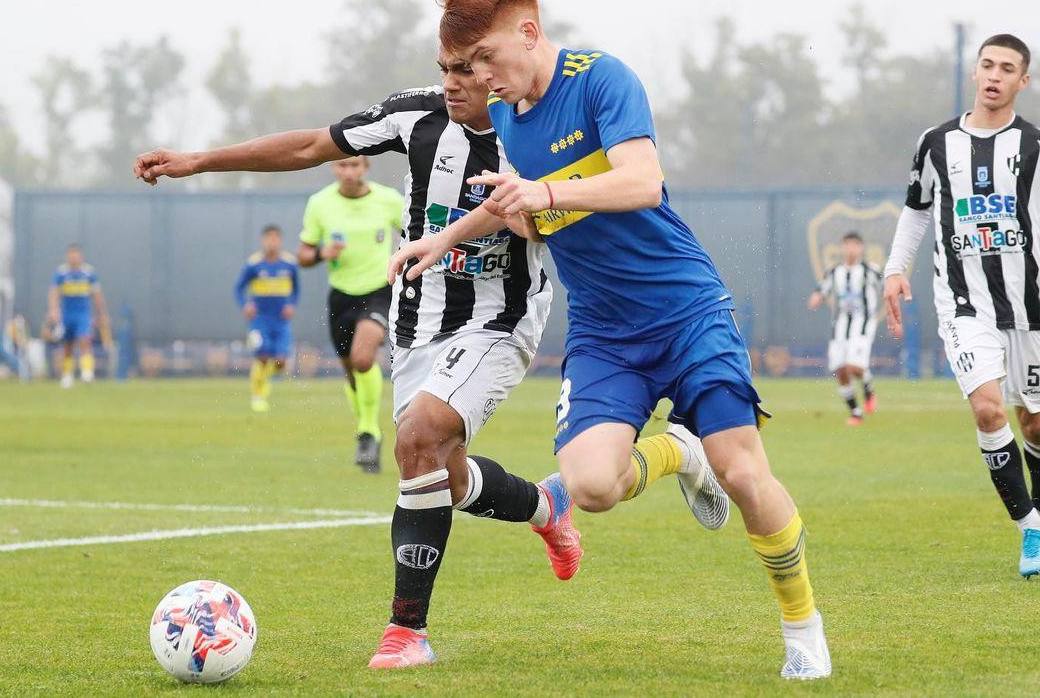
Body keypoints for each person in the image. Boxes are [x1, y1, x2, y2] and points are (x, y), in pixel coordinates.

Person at [135, 45, 724, 670]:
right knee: (442, 473)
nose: (451, 84)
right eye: (445, 70)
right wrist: (199, 161)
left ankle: (405, 632)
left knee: (417, 439)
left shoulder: (532, 134)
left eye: (465, 71)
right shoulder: (413, 118)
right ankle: (546, 507)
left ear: (496, 72)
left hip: (501, 319)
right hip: (418, 323)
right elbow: (312, 146)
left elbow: (603, 190)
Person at [391, 0, 830, 679]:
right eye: (467, 66)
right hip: (603, 332)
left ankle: (801, 625)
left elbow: (641, 181)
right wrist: (448, 237)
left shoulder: (602, 79)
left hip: (685, 309)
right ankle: (676, 454)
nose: (480, 79)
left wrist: (545, 190)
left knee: (745, 473)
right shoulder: (506, 114)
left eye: (486, 61)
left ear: (528, 34)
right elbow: (522, 207)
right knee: (591, 488)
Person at [884, 33, 1040, 579]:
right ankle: (1030, 529)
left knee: (1036, 423)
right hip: (963, 303)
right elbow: (917, 211)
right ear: (975, 73)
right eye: (987, 65)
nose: (995, 76)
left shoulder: (1036, 147)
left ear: (1024, 82)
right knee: (989, 410)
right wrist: (895, 269)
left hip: (1031, 308)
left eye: (1008, 69)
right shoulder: (935, 142)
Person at [298, 156, 402, 471]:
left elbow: (419, 230)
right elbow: (303, 253)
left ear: (366, 168)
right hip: (341, 297)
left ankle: (368, 431)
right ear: (333, 169)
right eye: (342, 165)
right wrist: (319, 253)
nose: (348, 171)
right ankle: (368, 430)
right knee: (351, 372)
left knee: (362, 358)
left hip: (378, 291)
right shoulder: (320, 203)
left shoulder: (388, 199)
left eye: (355, 165)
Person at [807, 232, 881, 425]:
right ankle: (856, 413)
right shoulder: (834, 272)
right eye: (847, 245)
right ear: (842, 248)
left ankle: (867, 388)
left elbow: (887, 288)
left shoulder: (870, 270)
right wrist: (816, 297)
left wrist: (894, 316)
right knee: (840, 370)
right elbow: (822, 289)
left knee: (853, 366)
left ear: (861, 248)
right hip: (839, 326)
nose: (851, 249)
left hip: (862, 325)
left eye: (855, 245)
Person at [234, 225, 299, 412]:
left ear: (280, 241)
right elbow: (238, 288)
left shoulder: (289, 264)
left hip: (281, 320)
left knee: (280, 361)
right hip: (260, 319)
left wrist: (291, 304)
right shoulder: (254, 264)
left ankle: (265, 383)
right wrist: (245, 304)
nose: (272, 242)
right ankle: (257, 396)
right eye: (269, 238)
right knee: (262, 355)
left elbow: (296, 289)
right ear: (263, 241)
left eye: (275, 238)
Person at [47, 244, 108, 388]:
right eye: (71, 255)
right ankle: (67, 376)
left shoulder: (89, 273)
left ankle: (87, 373)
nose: (74, 258)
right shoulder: (61, 273)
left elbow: (97, 295)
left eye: (76, 255)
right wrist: (53, 310)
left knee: (84, 340)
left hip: (83, 315)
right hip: (67, 315)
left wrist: (102, 314)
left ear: (80, 257)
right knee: (68, 346)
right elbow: (54, 292)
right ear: (67, 257)